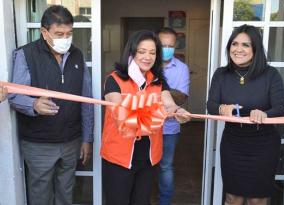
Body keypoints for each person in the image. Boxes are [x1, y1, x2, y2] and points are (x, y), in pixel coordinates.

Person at [8, 5, 94, 205]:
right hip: (39, 144)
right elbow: (14, 95)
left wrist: (87, 138)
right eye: (59, 33)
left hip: (71, 141)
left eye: (69, 33)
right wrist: (34, 105)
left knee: (66, 193)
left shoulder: (77, 55)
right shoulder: (26, 55)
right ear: (44, 32)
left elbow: (87, 99)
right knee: (41, 196)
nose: (65, 39)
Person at [101, 30, 190, 205]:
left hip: (148, 158)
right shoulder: (114, 80)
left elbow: (169, 104)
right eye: (142, 51)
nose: (147, 57)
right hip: (118, 158)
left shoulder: (158, 80)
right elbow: (124, 121)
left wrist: (178, 111)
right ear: (131, 52)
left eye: (152, 52)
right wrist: (159, 114)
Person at [207, 24, 284, 205]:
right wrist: (221, 109)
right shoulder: (221, 74)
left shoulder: (270, 74)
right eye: (234, 44)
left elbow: (282, 108)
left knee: (257, 200)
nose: (238, 49)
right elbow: (211, 105)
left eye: (245, 45)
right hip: (233, 145)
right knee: (232, 198)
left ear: (255, 49)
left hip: (264, 147)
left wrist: (265, 114)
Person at [157, 27, 190, 205]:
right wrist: (170, 94)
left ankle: (164, 202)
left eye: (170, 45)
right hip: (144, 127)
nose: (167, 49)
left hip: (169, 128)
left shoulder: (182, 68)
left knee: (166, 167)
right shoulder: (144, 62)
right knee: (144, 166)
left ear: (175, 45)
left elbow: (182, 97)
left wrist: (155, 92)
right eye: (163, 45)